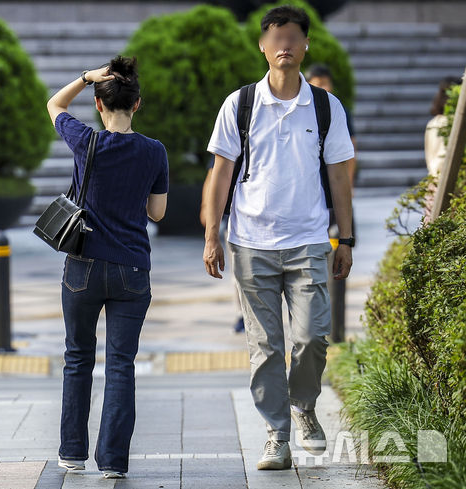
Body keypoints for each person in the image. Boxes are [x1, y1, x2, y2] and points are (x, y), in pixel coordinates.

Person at [202, 5, 355, 470]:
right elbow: (220, 173)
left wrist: (345, 238)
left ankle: (304, 407)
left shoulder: (326, 106)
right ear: (263, 47)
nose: (285, 44)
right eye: (276, 37)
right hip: (250, 242)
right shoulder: (240, 104)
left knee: (311, 337)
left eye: (293, 36)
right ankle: (276, 434)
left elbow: (340, 178)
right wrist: (213, 233)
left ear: (306, 45)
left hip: (309, 239)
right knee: (265, 345)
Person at [46, 56, 168, 479]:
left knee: (78, 357)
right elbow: (157, 213)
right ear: (138, 105)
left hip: (83, 266)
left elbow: (54, 106)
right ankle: (113, 461)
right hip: (132, 270)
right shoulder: (155, 152)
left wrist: (85, 77)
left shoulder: (85, 141)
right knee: (121, 363)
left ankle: (71, 452)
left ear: (99, 105)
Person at [305, 63, 357, 343]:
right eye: (317, 83)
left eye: (326, 83)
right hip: (309, 203)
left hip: (333, 202)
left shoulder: (336, 110)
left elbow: (351, 151)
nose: (323, 89)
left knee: (336, 257)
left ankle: (330, 330)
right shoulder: (301, 110)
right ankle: (319, 326)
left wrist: (348, 189)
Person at [199, 162, 245, 333]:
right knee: (238, 272)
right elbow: (213, 173)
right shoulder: (234, 134)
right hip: (234, 215)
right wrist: (206, 207)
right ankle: (242, 314)